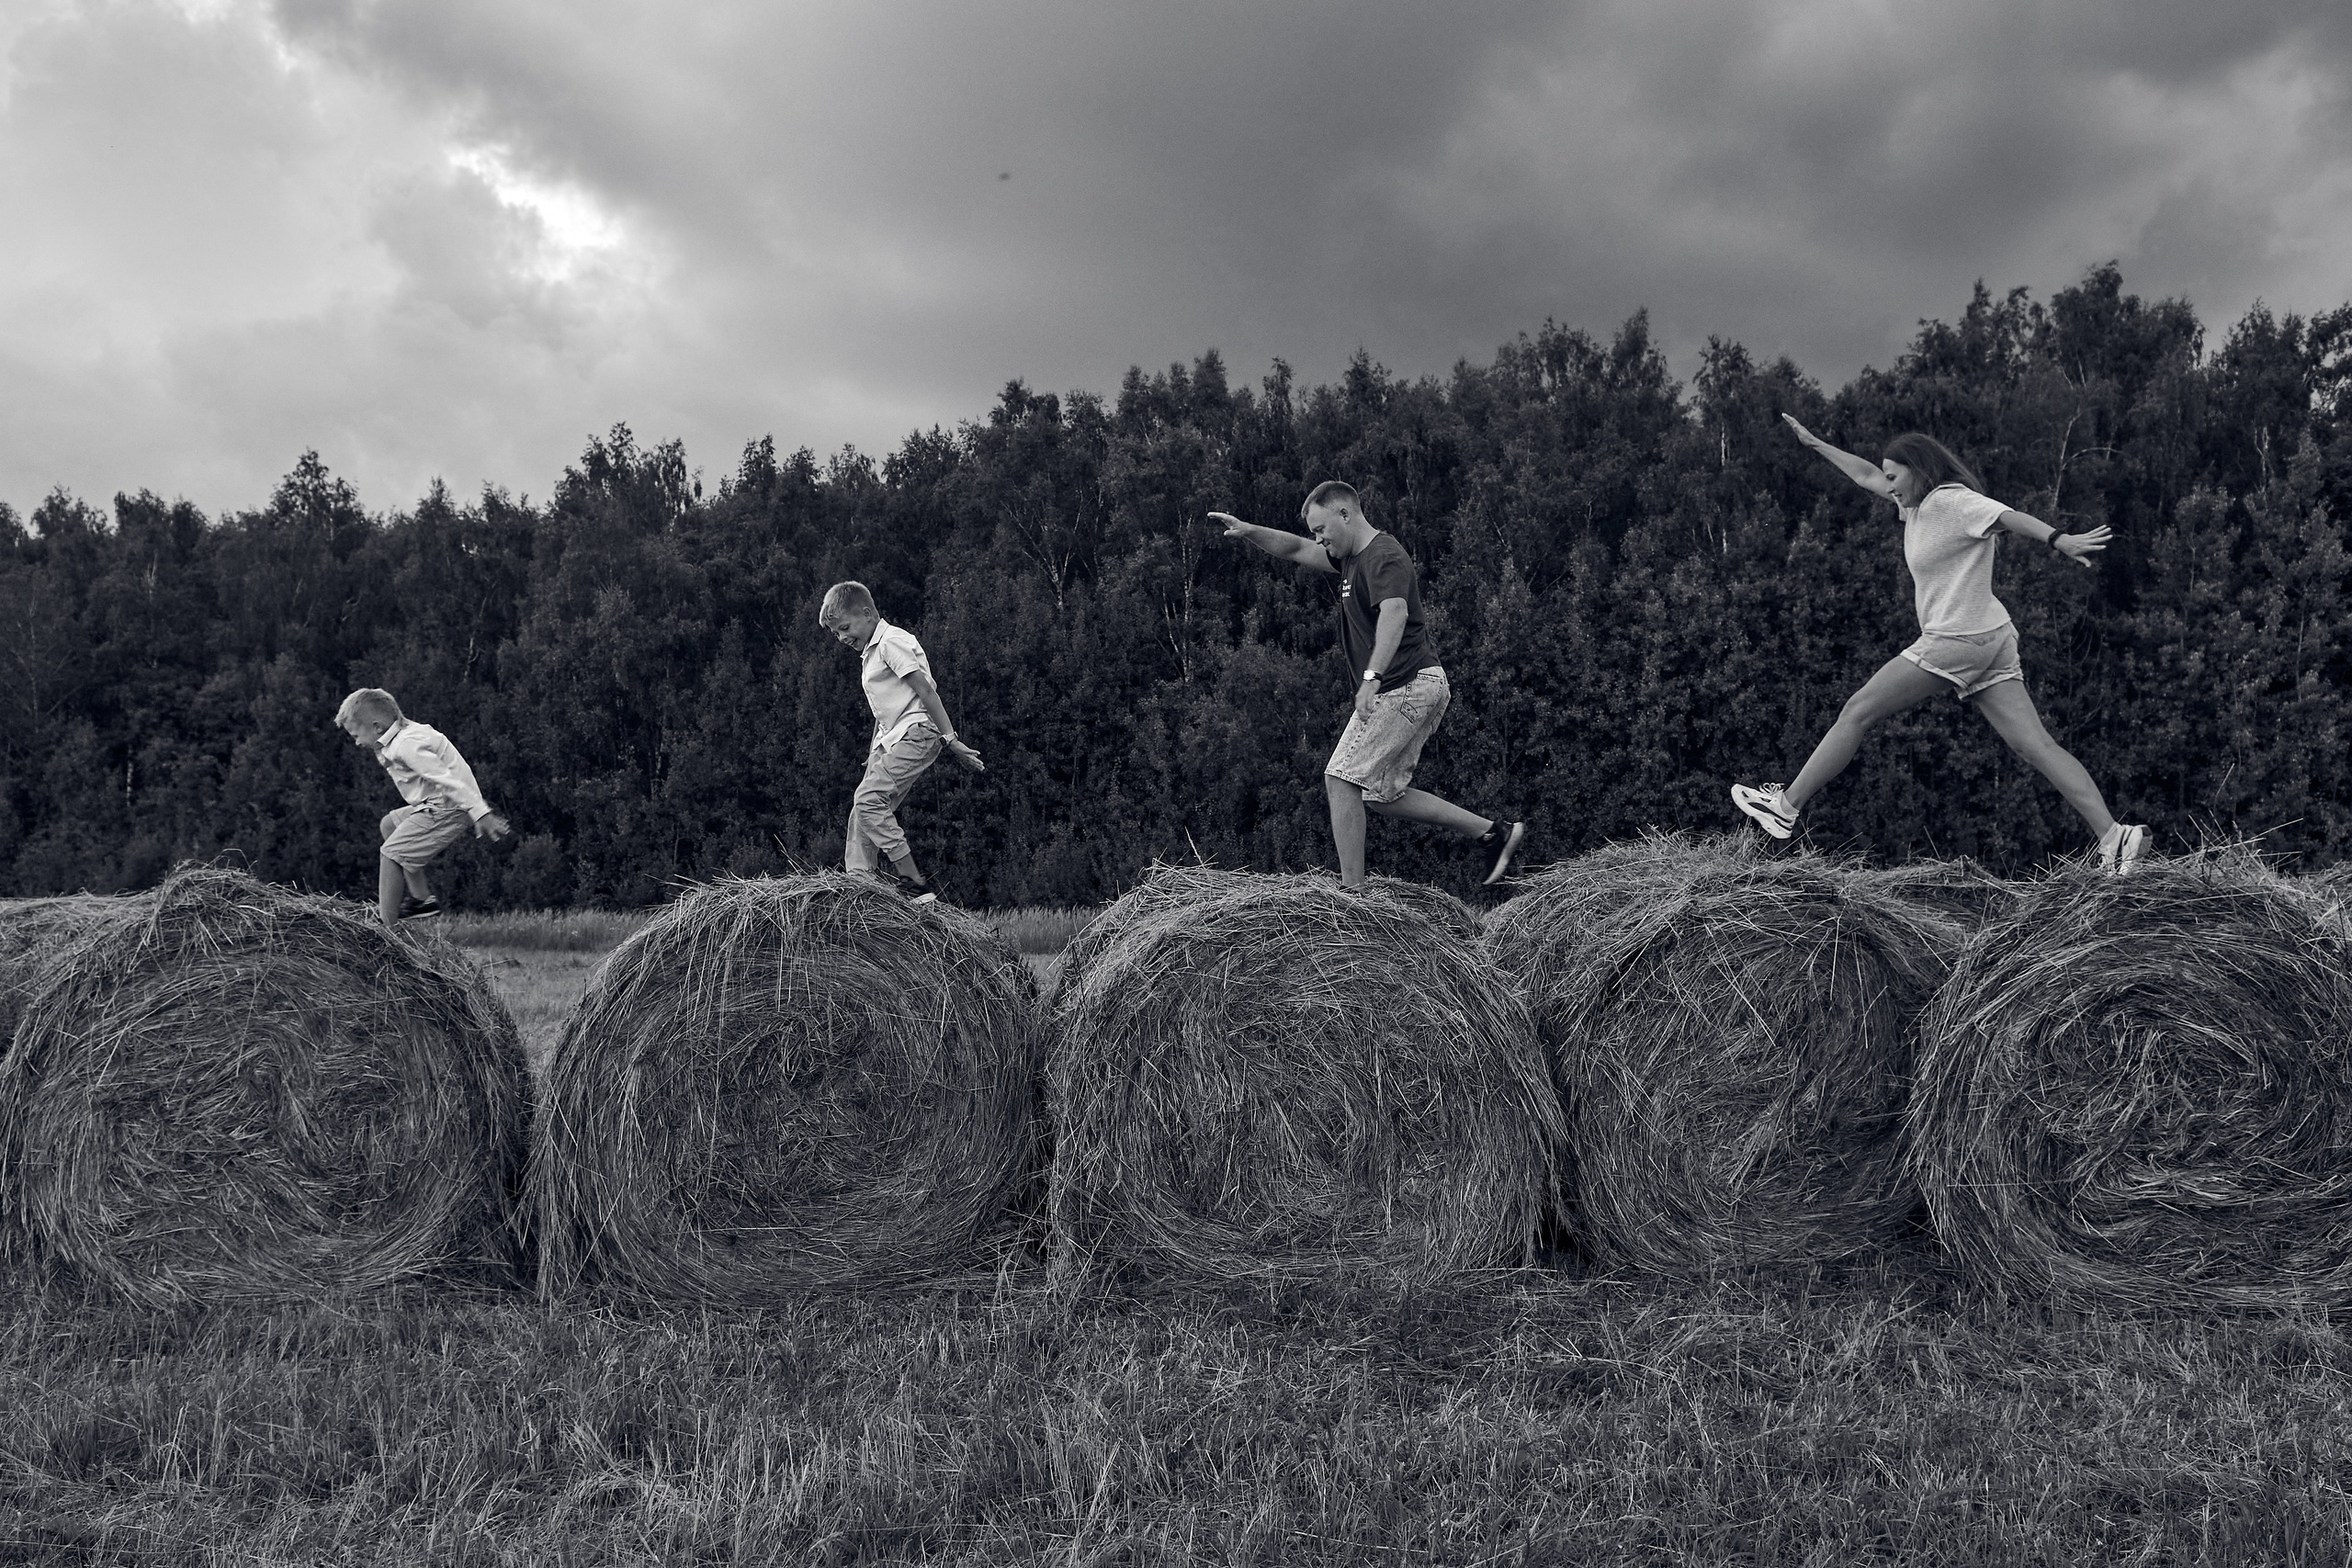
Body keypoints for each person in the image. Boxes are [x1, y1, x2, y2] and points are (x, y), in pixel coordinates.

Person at [1732, 415, 2149, 873]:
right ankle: (2115, 836)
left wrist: (2059, 539)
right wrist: (1815, 445)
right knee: (2037, 746)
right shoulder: (1914, 507)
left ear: (1919, 469)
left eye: (1895, 476)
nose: (1887, 485)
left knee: (1858, 710)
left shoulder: (1953, 501)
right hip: (1991, 641)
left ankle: (1785, 807)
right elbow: (1866, 474)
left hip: (1957, 639)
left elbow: (2008, 517)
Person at [1212, 480, 1526, 889]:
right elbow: (1293, 549)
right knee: (1380, 795)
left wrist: (1371, 678)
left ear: (1346, 514)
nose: (1318, 538)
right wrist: (1250, 530)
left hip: (1406, 685)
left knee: (1340, 779)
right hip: (1412, 687)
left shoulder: (1383, 555)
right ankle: (1493, 833)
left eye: (1321, 528)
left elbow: (1394, 614)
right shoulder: (1349, 559)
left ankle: (1352, 897)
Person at [818, 581, 985, 904]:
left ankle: (913, 881)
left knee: (868, 799)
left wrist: (951, 740)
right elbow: (884, 712)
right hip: (894, 738)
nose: (841, 638)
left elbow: (926, 692)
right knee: (861, 812)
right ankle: (860, 888)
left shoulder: (891, 642)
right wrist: (874, 752)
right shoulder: (871, 652)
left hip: (920, 732)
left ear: (867, 614)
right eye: (836, 633)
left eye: (845, 628)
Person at [334, 688, 511, 923]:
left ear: (377, 727)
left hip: (449, 805)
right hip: (436, 802)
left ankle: (386, 928)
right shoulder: (401, 732)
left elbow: (445, 778)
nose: (356, 742)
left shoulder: (407, 744)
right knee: (390, 826)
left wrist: (479, 812)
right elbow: (383, 705)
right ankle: (422, 900)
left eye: (356, 734)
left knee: (390, 854)